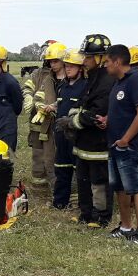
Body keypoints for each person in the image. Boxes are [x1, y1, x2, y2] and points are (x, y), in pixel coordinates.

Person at [63, 33, 114, 228]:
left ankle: (101, 216)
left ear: (101, 58)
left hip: (99, 144)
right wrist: (71, 118)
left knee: (99, 182)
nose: (84, 60)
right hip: (83, 143)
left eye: (88, 57)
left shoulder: (107, 81)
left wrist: (71, 123)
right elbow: (83, 105)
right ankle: (86, 213)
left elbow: (97, 112)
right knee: (83, 180)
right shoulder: (92, 78)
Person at [104, 45, 138, 244]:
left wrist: (126, 139)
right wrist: (107, 120)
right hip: (114, 145)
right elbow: (123, 111)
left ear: (117, 61)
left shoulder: (135, 80)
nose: (105, 65)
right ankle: (125, 227)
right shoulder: (118, 83)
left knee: (136, 187)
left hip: (129, 147)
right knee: (120, 188)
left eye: (107, 61)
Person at [23, 41, 65, 191]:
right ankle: (39, 186)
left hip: (52, 121)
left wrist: (45, 104)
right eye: (49, 60)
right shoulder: (38, 73)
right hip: (37, 123)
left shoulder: (61, 75)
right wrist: (28, 97)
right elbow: (28, 87)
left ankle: (55, 186)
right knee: (38, 154)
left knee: (52, 155)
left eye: (54, 60)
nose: (50, 63)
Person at [52, 51, 85, 210]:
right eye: (66, 66)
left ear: (80, 68)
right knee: (61, 167)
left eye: (72, 66)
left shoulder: (85, 87)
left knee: (79, 170)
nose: (68, 69)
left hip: (76, 135)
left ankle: (81, 202)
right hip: (61, 134)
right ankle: (60, 201)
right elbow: (60, 106)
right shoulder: (62, 86)